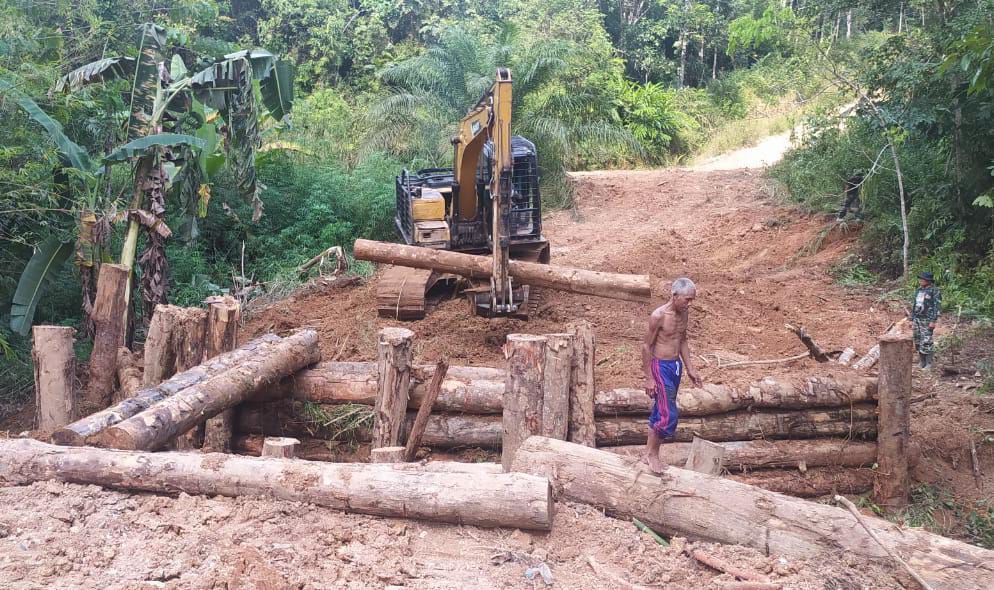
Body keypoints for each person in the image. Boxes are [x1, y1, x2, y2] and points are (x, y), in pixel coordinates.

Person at [642, 277, 702, 473]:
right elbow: (646, 346)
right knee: (669, 415)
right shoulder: (658, 316)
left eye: (692, 300)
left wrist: (690, 368)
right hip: (660, 367)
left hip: (675, 367)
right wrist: (649, 377)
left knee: (660, 410)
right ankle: (653, 454)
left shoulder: (684, 314)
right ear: (674, 295)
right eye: (687, 299)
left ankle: (647, 454)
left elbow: (682, 340)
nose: (689, 304)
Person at [910, 271, 941, 369]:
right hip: (917, 319)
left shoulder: (934, 291)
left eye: (922, 279)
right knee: (917, 339)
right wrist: (912, 318)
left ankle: (929, 363)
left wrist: (933, 320)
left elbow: (937, 307)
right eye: (920, 279)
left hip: (927, 320)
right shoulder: (919, 290)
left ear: (928, 281)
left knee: (926, 340)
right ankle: (921, 362)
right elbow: (915, 305)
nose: (920, 280)